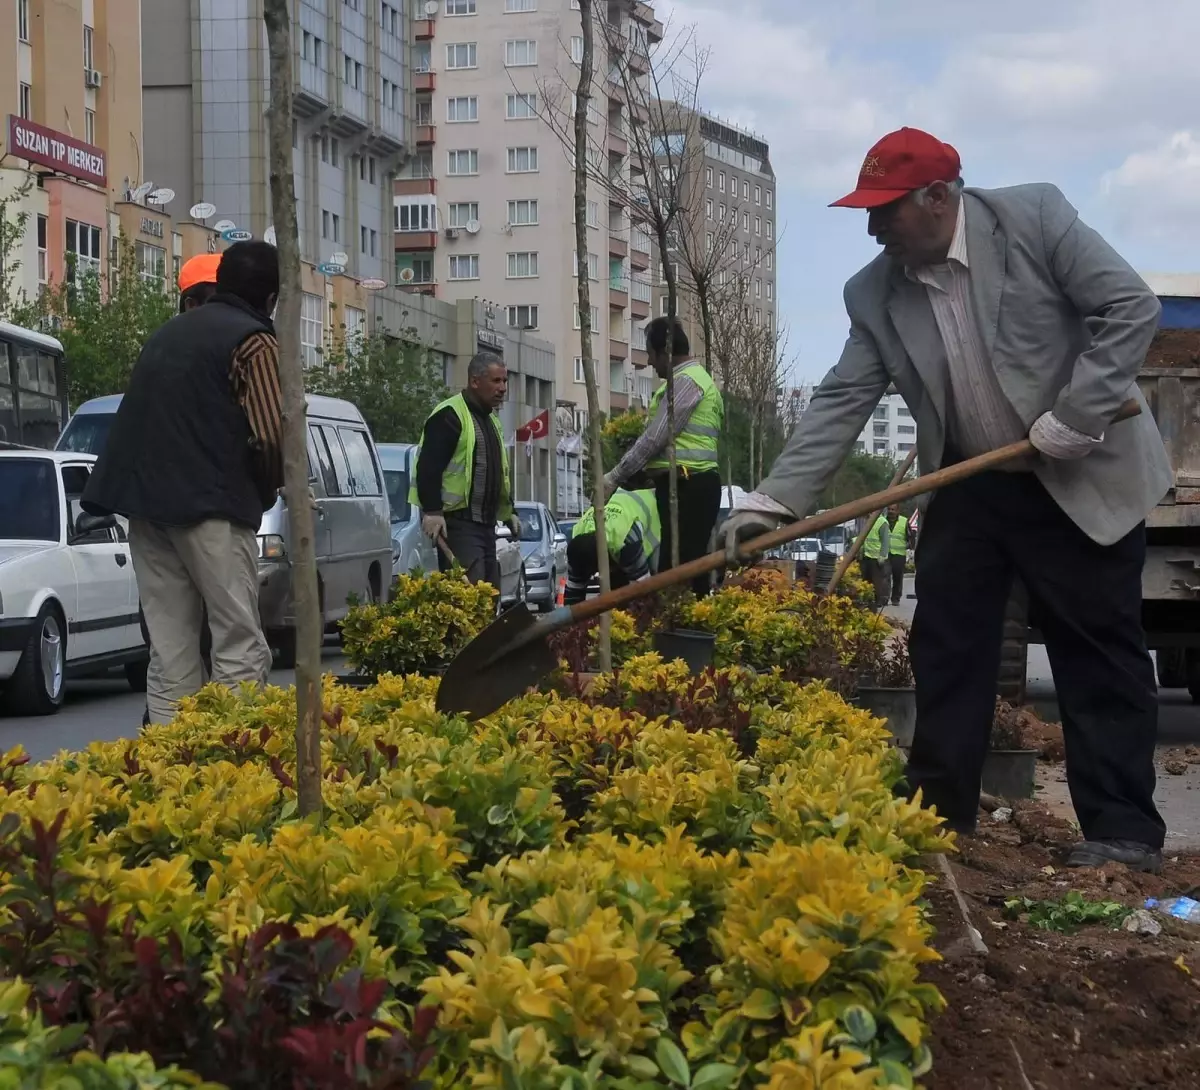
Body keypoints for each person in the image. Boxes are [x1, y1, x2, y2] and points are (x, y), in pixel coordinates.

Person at [718, 127, 1172, 873]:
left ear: (936, 198)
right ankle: (939, 814)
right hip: (972, 478)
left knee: (1097, 652)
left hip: (1080, 467)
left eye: (884, 210)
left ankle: (1123, 830)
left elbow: (1129, 308)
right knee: (948, 644)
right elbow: (843, 397)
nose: (872, 228)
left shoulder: (1035, 220)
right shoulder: (874, 291)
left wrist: (1076, 415)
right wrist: (773, 500)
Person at [83, 241, 283, 725]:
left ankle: (171, 769)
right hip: (212, 509)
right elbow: (271, 435)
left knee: (171, 646)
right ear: (273, 297)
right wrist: (270, 487)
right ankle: (234, 761)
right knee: (238, 641)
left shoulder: (168, 334)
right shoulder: (253, 340)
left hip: (147, 509)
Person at [604, 317, 724, 597]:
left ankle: (686, 628)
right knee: (684, 565)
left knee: (681, 568)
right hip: (686, 484)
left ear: (665, 353)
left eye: (650, 354)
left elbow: (655, 438)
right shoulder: (693, 380)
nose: (650, 363)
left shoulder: (686, 383)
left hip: (689, 486)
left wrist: (614, 476)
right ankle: (688, 623)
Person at [411, 352, 516, 590]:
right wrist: (433, 510)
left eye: (505, 381)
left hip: (486, 525)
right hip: (458, 525)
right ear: (475, 381)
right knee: (469, 594)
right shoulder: (449, 415)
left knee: (489, 593)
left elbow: (497, 474)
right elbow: (428, 466)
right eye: (496, 381)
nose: (502, 388)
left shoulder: (491, 421)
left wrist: (510, 513)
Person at [565, 487, 661, 604]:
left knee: (657, 580)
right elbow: (573, 594)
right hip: (624, 505)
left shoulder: (626, 540)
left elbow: (642, 588)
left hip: (655, 507)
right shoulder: (577, 547)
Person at [859, 512, 891, 608]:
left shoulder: (882, 522)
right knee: (866, 580)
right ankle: (868, 600)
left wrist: (882, 556)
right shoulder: (866, 521)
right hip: (866, 556)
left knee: (877, 581)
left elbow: (885, 541)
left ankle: (878, 600)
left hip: (876, 558)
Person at [887, 503, 909, 607]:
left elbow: (910, 537)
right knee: (885, 577)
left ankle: (895, 598)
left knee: (897, 578)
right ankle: (884, 598)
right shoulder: (884, 521)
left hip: (899, 555)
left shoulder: (904, 522)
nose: (891, 511)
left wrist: (908, 547)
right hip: (886, 554)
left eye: (893, 509)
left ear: (898, 511)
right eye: (889, 509)